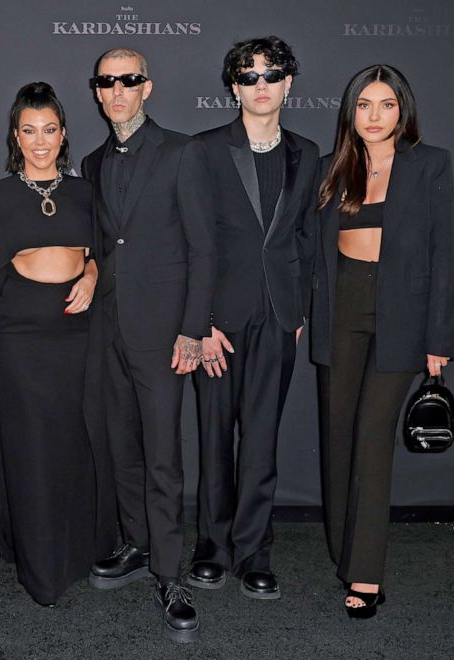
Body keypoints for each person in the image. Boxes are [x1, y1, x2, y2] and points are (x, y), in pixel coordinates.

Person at [0, 82, 116, 606]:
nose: (40, 141)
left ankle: (84, 552)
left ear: (63, 133)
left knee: (77, 442)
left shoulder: (86, 191)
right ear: (16, 136)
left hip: (78, 330)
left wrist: (91, 274)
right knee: (31, 450)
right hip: (20, 337)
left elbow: (102, 252)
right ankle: (40, 566)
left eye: (49, 130)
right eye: (29, 131)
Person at [310, 64, 454, 617]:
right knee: (338, 437)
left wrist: (439, 337)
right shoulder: (331, 169)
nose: (375, 116)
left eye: (387, 105)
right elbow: (313, 251)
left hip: (405, 311)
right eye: (365, 105)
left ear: (404, 110)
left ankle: (366, 573)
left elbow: (445, 254)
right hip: (341, 306)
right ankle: (344, 551)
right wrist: (308, 312)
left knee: (373, 437)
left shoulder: (429, 165)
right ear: (350, 111)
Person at [81, 47, 214, 643]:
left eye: (128, 81)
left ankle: (169, 572)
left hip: (164, 333)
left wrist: (192, 327)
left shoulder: (183, 152)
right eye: (107, 82)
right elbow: (107, 246)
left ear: (147, 87)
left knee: (163, 456)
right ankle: (136, 544)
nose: (117, 91)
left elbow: (205, 249)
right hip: (106, 328)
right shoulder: (90, 161)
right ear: (98, 91)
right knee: (122, 447)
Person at [187, 37, 320, 601]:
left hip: (277, 316)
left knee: (261, 439)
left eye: (271, 75)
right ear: (234, 87)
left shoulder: (308, 153)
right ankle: (212, 548)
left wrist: (297, 310)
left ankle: (254, 551)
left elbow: (306, 239)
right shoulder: (205, 150)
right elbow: (196, 239)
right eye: (249, 76)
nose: (260, 85)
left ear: (289, 83)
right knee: (215, 436)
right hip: (219, 319)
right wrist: (202, 321)